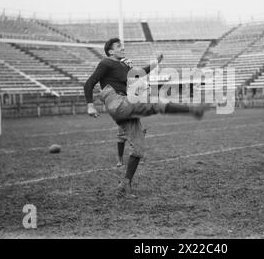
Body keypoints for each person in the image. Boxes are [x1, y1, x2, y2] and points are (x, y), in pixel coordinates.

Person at [84, 38, 210, 198]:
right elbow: (89, 83)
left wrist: (155, 62)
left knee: (138, 149)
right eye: (118, 46)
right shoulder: (106, 63)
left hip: (124, 105)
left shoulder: (122, 65)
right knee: (155, 102)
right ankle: (193, 110)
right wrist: (90, 105)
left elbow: (140, 73)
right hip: (118, 103)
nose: (122, 47)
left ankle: (125, 185)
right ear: (110, 51)